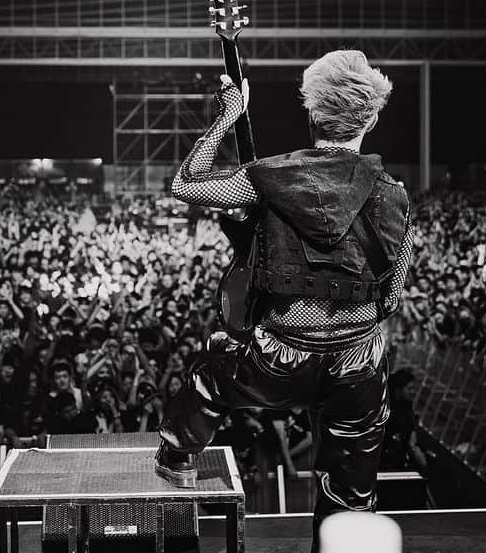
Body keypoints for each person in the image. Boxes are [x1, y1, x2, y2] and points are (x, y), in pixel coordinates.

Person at [156, 50, 413, 546]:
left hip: (279, 355)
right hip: (359, 362)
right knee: (351, 503)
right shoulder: (393, 193)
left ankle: (178, 455)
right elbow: (391, 298)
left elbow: (186, 183)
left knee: (212, 374)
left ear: (313, 113)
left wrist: (228, 116)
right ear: (372, 118)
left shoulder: (269, 179)